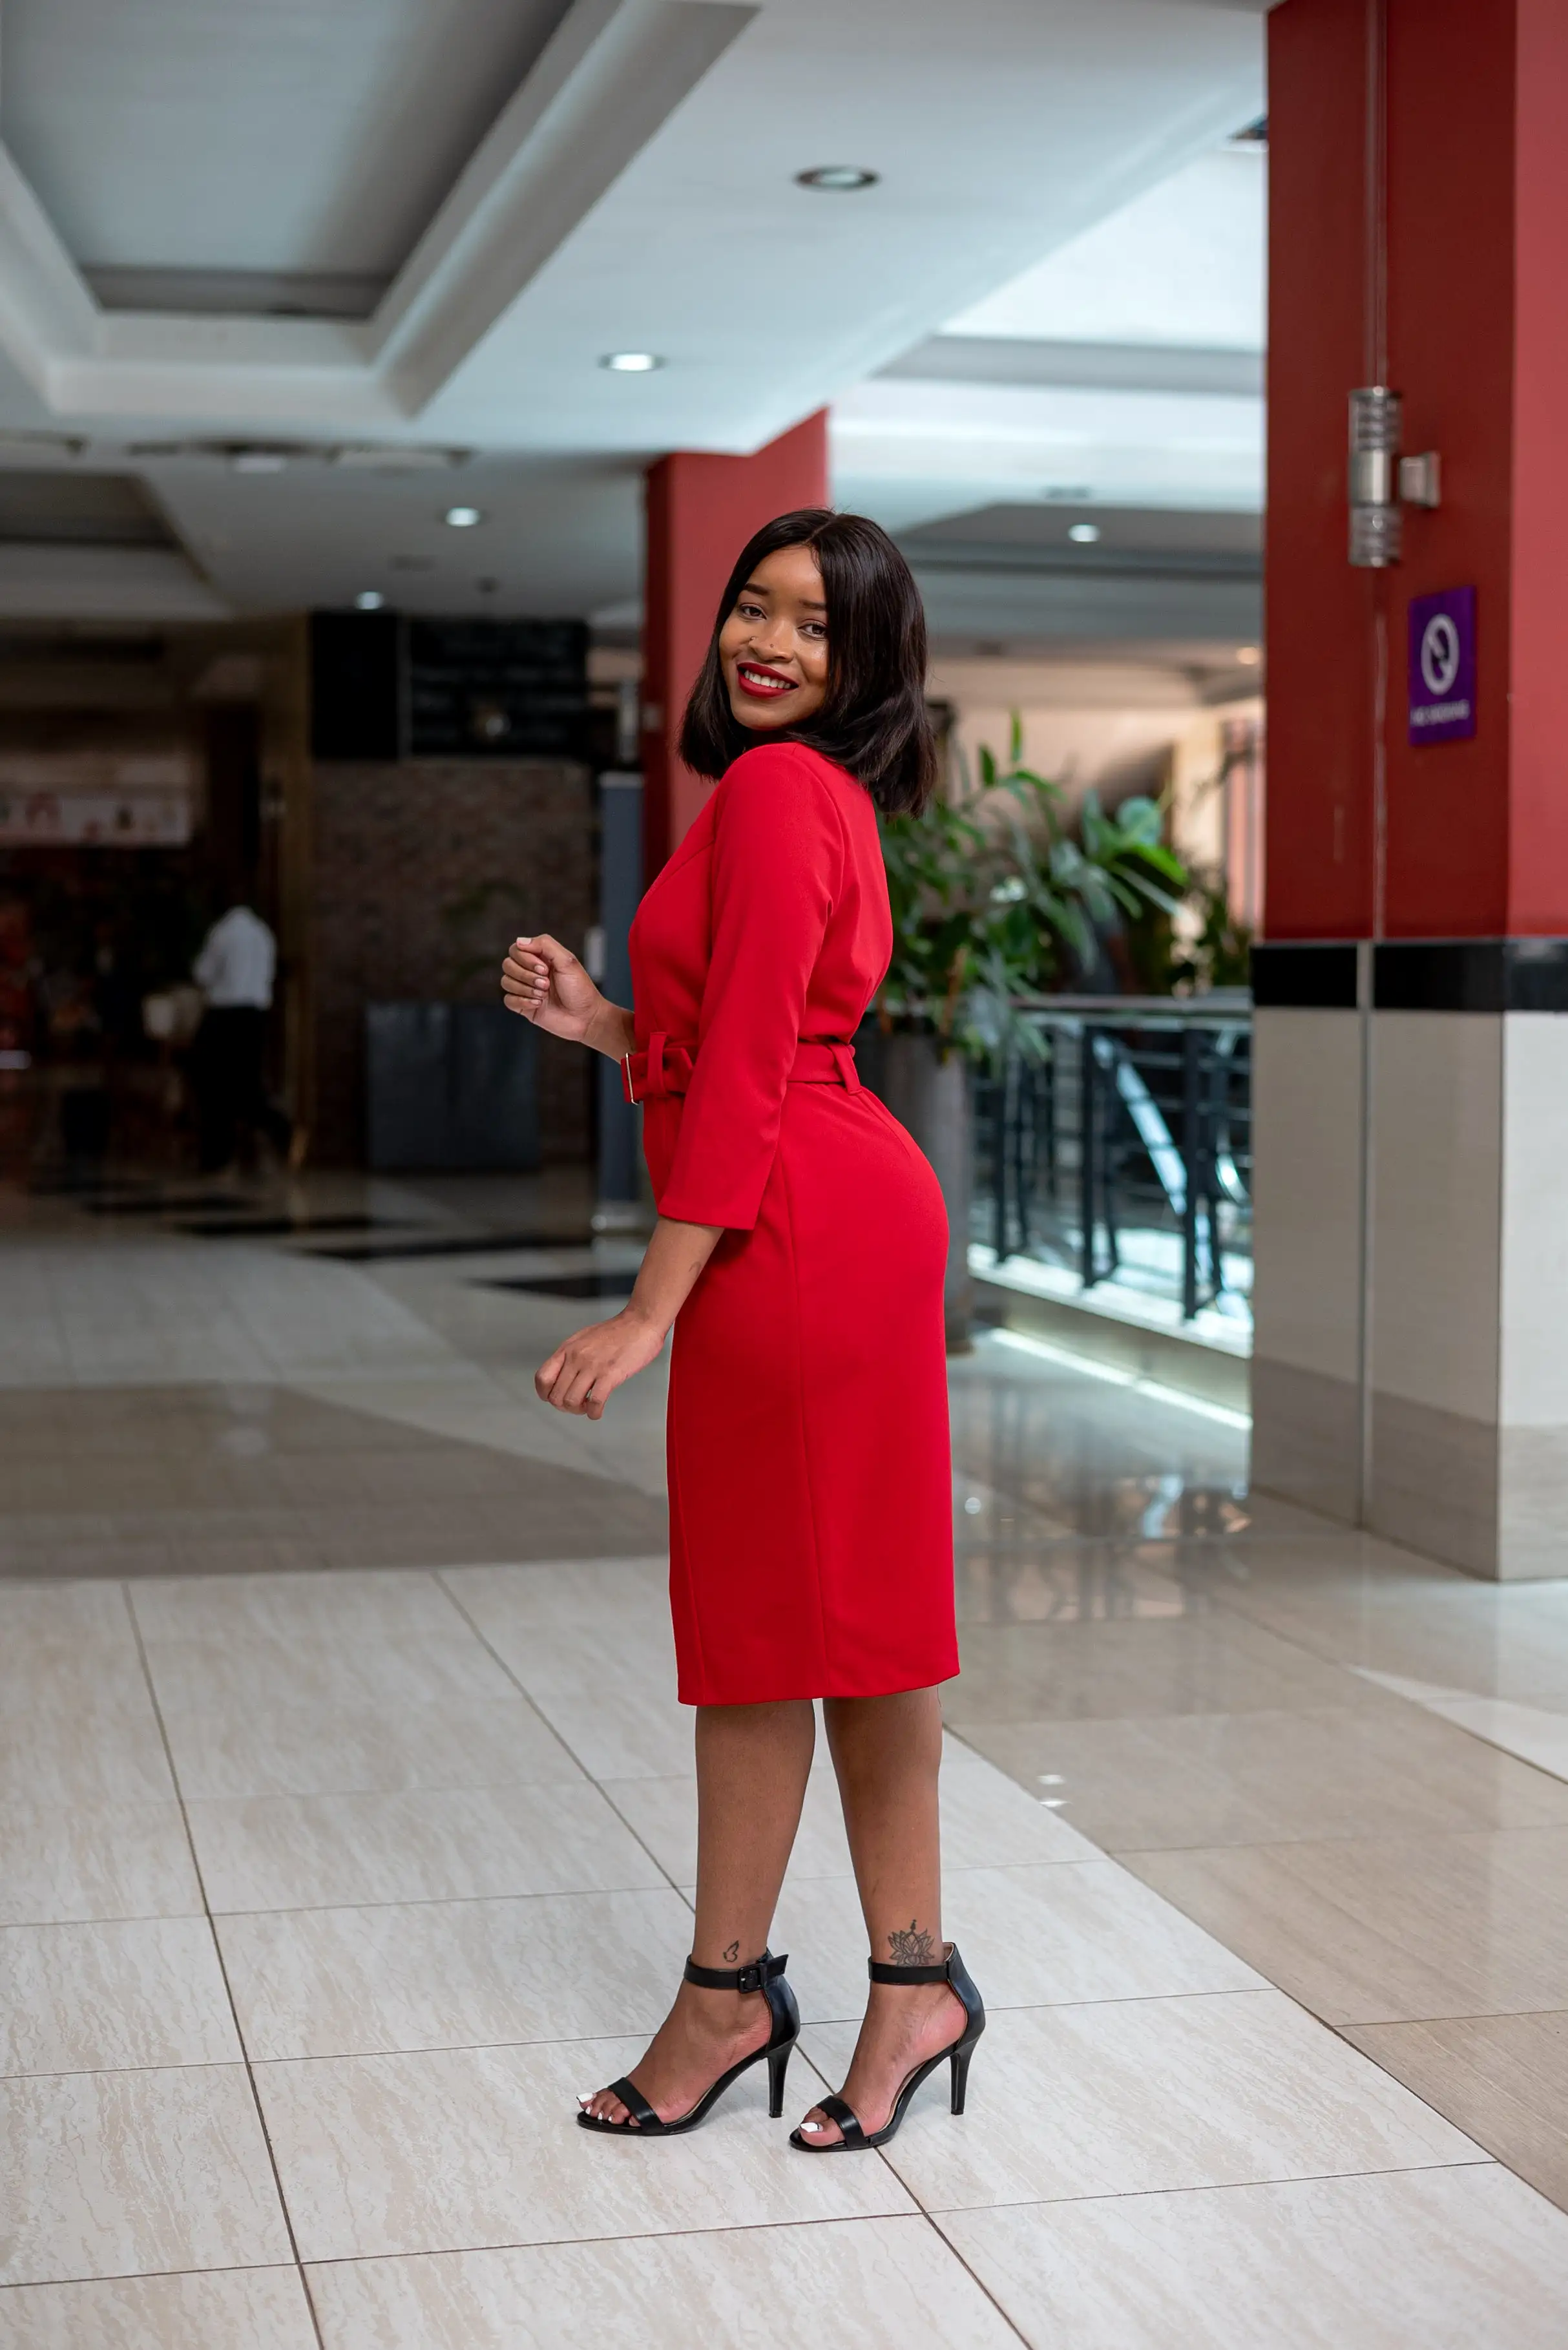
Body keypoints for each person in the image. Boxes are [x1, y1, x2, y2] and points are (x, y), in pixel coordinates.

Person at [500, 509, 983, 2152]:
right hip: (821, 1207)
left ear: (866, 666)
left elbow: (768, 1065)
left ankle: (741, 1990)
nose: (766, 641)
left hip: (798, 1228)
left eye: (814, 624)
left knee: (783, 1622)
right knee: (828, 1616)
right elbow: (747, 1039)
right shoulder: (794, 796)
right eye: (750, 608)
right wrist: (608, 1026)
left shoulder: (781, 791)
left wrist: (651, 1303)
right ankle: (896, 1979)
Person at [189, 900, 291, 1173]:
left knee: (213, 1085)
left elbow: (203, 973)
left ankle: (217, 1154)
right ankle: (277, 1128)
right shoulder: (262, 933)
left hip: (225, 1014)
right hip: (256, 1015)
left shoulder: (223, 933)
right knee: (248, 1082)